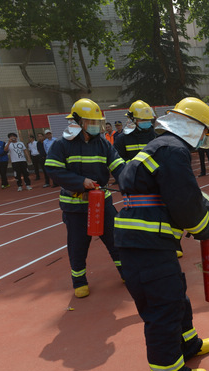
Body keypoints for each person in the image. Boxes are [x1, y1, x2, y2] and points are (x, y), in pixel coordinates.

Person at [114, 97, 209, 371]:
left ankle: (188, 344)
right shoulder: (173, 150)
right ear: (194, 128)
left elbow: (188, 194)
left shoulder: (165, 146)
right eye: (206, 131)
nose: (207, 138)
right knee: (163, 308)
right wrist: (206, 230)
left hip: (149, 244)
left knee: (175, 295)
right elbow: (183, 205)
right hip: (146, 245)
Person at [44, 98, 126, 298]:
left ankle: (126, 272)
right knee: (78, 245)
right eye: (92, 122)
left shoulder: (104, 144)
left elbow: (119, 167)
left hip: (102, 202)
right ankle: (79, 281)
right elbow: (53, 169)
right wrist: (80, 182)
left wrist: (131, 183)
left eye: (98, 122)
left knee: (115, 239)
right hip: (75, 206)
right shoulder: (62, 144)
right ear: (79, 122)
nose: (97, 126)